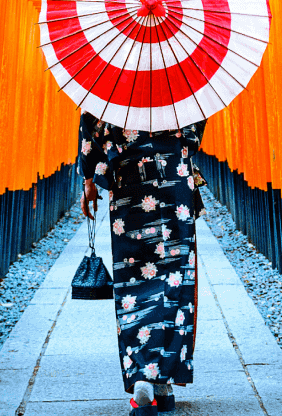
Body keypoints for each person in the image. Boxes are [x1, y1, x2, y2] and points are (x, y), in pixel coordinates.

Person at [78, 112, 204, 411]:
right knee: (175, 276)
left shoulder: (110, 75)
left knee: (134, 278)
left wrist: (88, 178)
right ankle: (163, 379)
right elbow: (195, 127)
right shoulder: (183, 74)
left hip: (129, 179)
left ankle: (142, 376)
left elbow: (89, 130)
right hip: (175, 178)